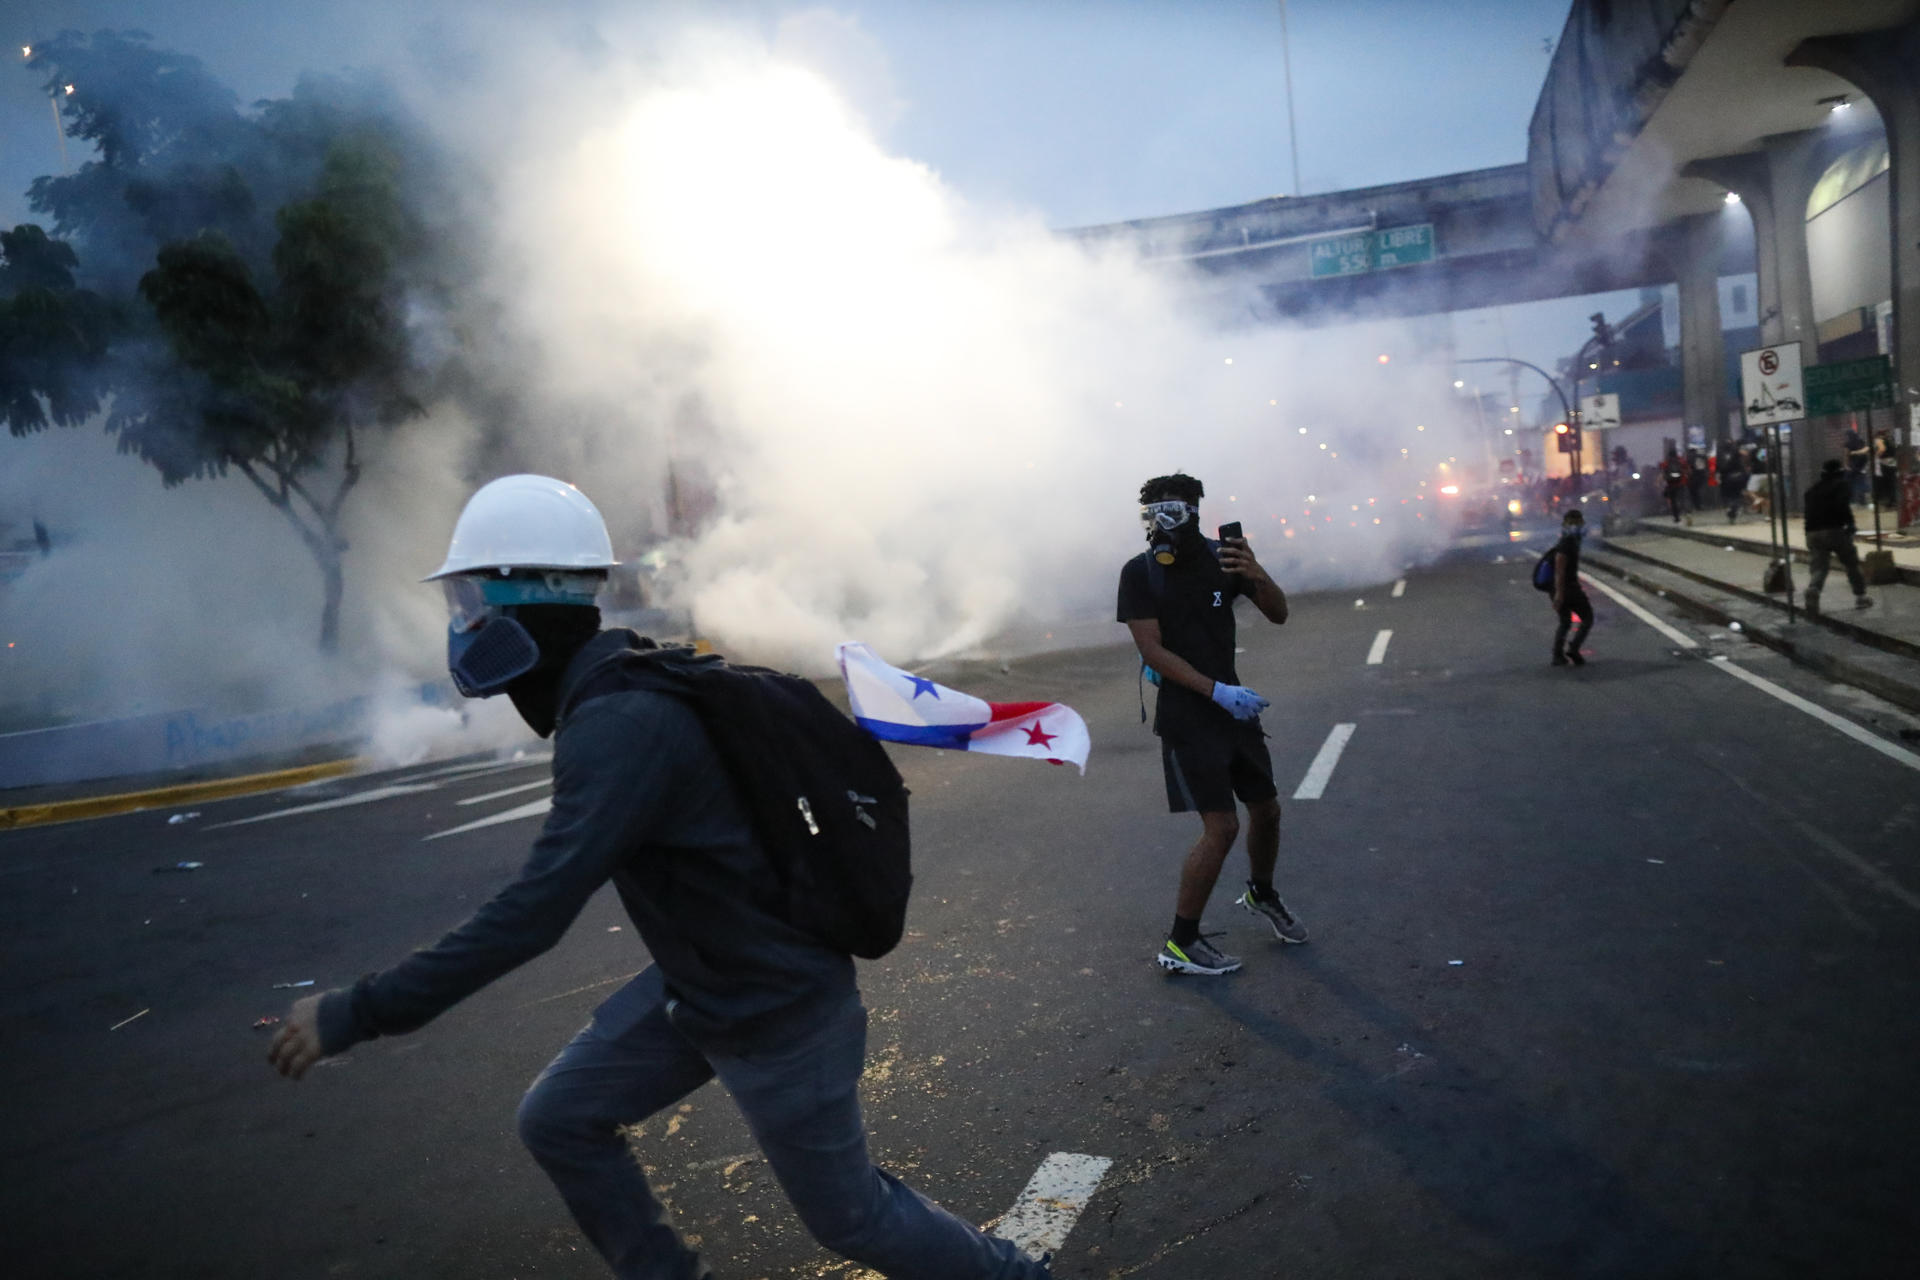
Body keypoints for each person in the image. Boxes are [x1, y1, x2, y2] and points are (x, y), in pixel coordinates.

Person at [267, 475, 1050, 1280]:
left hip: (778, 1009)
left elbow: (533, 913)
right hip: (705, 986)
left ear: (526, 601)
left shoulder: (618, 723)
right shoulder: (619, 687)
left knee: (853, 1218)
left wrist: (358, 1011)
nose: (464, 624)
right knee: (559, 1118)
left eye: (472, 600)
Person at [1115, 472, 1302, 978]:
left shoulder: (1226, 557)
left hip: (1234, 713)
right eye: (1153, 510)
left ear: (1196, 508)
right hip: (1188, 717)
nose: (1162, 518)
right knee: (1222, 827)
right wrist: (1217, 692)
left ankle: (1262, 893)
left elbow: (1279, 614)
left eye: (1172, 507)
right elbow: (1151, 648)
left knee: (1268, 811)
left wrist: (1256, 571)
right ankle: (1181, 941)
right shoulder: (1140, 573)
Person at [1803, 458, 1875, 617]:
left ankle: (1813, 589)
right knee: (1851, 563)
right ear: (1840, 472)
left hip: (1812, 532)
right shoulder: (1841, 485)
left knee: (1819, 567)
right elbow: (1842, 506)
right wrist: (1850, 524)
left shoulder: (1812, 490)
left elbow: (1808, 513)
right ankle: (1861, 596)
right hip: (1834, 530)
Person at [1550, 508, 1593, 667]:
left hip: (1561, 588)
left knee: (1565, 622)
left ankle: (1558, 654)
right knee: (1587, 618)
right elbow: (1560, 570)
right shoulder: (1567, 543)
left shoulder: (1570, 541)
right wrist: (1560, 594)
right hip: (1567, 588)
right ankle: (1572, 649)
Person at [1719, 449, 1749, 524]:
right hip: (1738, 484)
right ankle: (1732, 512)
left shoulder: (1728, 463)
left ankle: (1730, 510)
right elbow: (1745, 474)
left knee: (1730, 498)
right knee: (1737, 499)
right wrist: (1744, 485)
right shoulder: (1740, 464)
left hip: (1729, 484)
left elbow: (1723, 472)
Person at [1844, 426, 1871, 505]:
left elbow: (1846, 455)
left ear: (1848, 435)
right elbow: (1866, 450)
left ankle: (1852, 500)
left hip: (1853, 465)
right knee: (1861, 481)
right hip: (1862, 464)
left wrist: (1846, 465)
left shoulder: (1848, 443)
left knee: (1850, 482)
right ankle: (1863, 501)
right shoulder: (1861, 440)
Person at [1872, 434, 1898, 510]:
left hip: (1885, 464)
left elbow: (1882, 449)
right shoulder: (1890, 442)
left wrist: (1875, 456)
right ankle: (1893, 502)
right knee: (1892, 484)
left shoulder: (1878, 440)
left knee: (1886, 484)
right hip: (1892, 463)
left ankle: (1890, 503)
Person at [1660, 452, 1687, 522]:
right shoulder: (1680, 461)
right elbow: (1685, 469)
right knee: (1683, 499)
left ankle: (1676, 517)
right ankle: (1686, 513)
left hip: (1671, 485)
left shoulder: (1666, 463)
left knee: (1673, 501)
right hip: (1680, 483)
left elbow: (1662, 470)